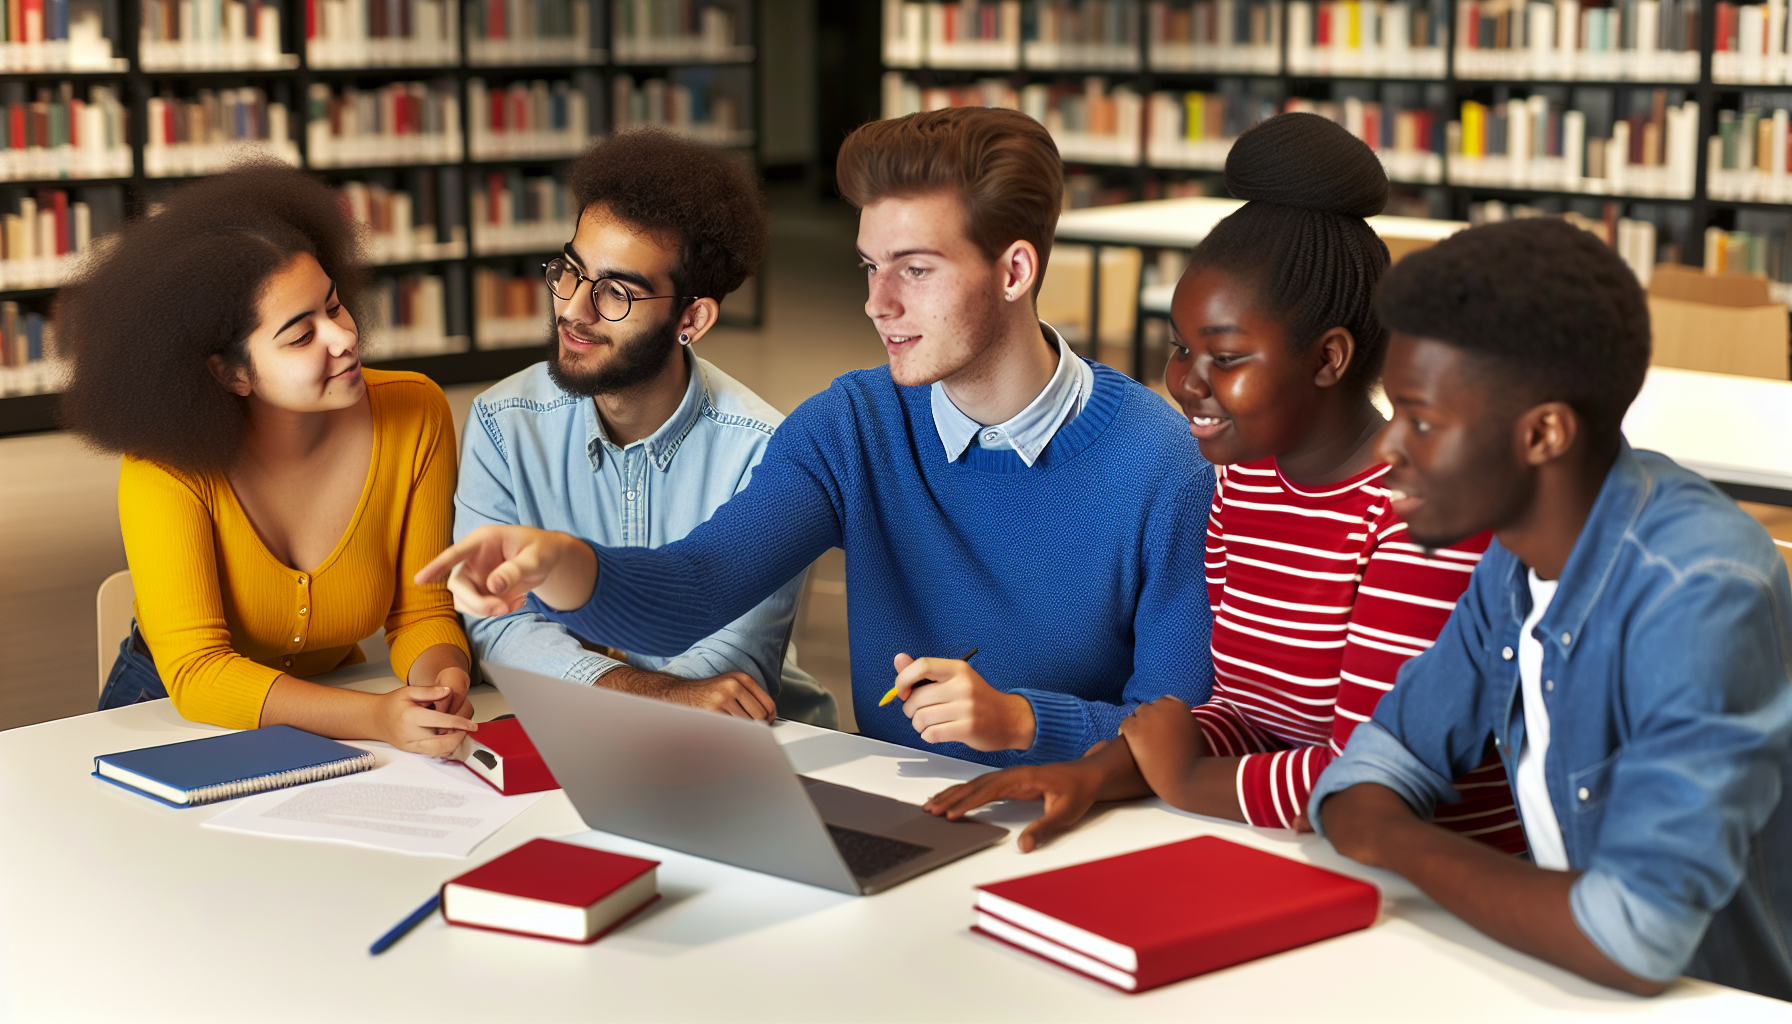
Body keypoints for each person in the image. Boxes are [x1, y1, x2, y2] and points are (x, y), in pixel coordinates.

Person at [420, 107, 1215, 766]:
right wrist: (564, 563)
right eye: (870, 266)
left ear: (1013, 273)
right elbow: (697, 587)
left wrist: (1024, 724)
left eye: (915, 269)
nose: (877, 303)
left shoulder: (1162, 464)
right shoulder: (851, 426)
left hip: (1086, 828)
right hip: (908, 811)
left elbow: (1192, 729)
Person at [923, 113, 1523, 853]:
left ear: (1329, 358)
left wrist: (1184, 782)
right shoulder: (1247, 485)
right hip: (1299, 851)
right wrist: (1096, 772)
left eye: (1227, 359)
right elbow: (1245, 714)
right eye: (1180, 348)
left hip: (1437, 890)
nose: (1185, 383)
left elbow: (1373, 782)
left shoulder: (1422, 518)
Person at [1308, 217, 1792, 999]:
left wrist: (1394, 838)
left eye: (1422, 421)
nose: (1385, 449)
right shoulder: (1512, 560)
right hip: (1557, 985)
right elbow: (1371, 769)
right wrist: (1376, 816)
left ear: (1543, 434)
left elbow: (1631, 937)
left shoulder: (1701, 593)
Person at [62, 164, 476, 756]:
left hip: (334, 700)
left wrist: (443, 685)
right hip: (170, 716)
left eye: (333, 307)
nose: (343, 337)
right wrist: (376, 719)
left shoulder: (416, 413)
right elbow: (200, 674)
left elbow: (422, 610)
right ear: (229, 373)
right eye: (299, 336)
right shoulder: (166, 462)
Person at [451, 129, 834, 726]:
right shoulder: (503, 424)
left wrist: (589, 677)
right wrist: (639, 691)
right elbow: (497, 626)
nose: (574, 309)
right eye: (571, 272)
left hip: (755, 748)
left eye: (617, 294)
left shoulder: (764, 448)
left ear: (693, 318)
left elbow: (731, 670)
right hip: (585, 731)